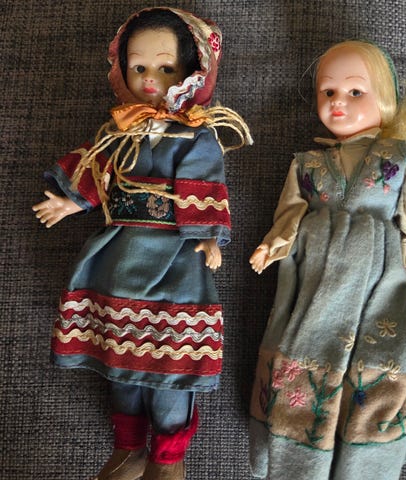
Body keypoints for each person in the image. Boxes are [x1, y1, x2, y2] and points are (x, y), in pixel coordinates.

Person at [33, 7, 251, 480]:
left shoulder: (196, 134)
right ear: (122, 70)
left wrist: (208, 236)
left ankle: (168, 458)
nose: (150, 78)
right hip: (118, 255)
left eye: (165, 67)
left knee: (172, 364)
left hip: (176, 259)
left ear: (192, 71)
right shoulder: (119, 130)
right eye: (138, 66)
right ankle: (128, 447)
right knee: (120, 359)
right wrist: (73, 202)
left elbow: (205, 182)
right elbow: (98, 168)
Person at [248, 40, 406, 480]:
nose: (338, 101)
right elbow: (289, 214)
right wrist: (273, 245)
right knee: (305, 340)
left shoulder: (397, 158)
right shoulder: (307, 164)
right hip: (315, 270)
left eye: (355, 92)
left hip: (379, 270)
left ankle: (360, 453)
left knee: (377, 350)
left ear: (385, 100)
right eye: (328, 92)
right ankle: (301, 445)